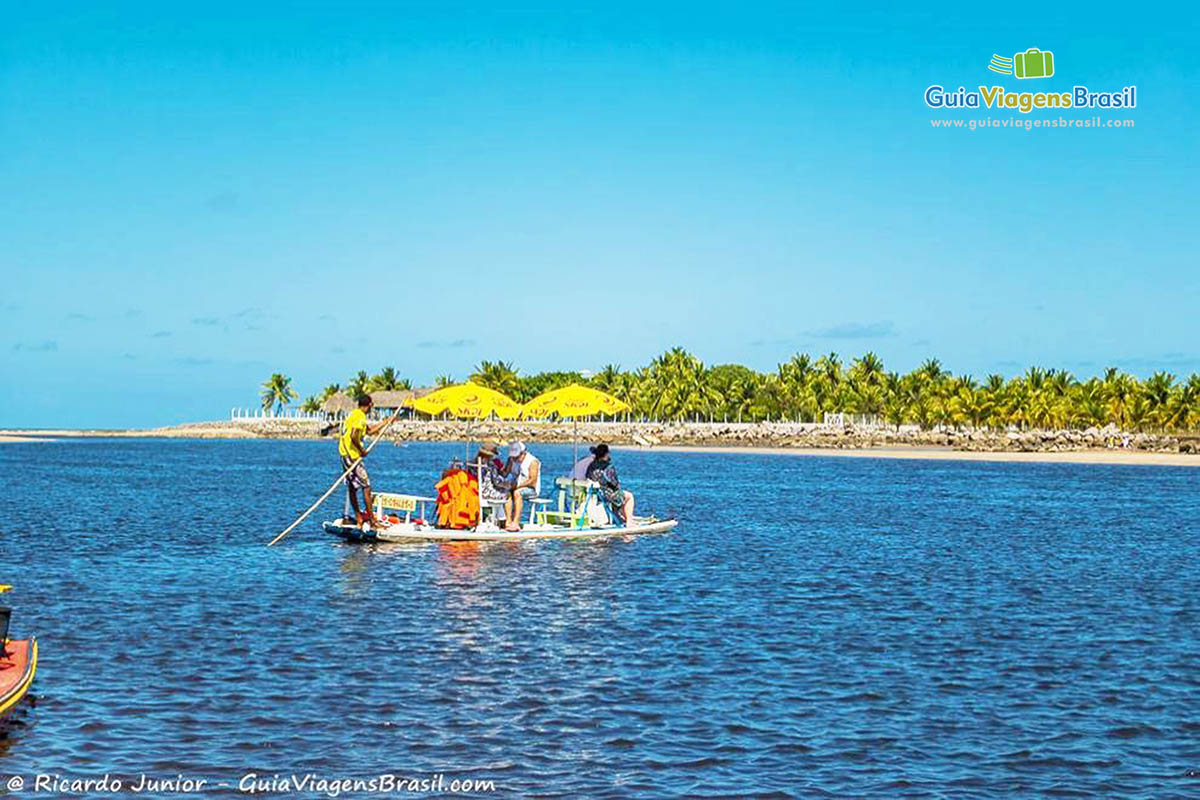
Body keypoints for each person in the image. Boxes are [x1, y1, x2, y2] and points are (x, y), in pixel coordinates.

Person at [339, 394, 397, 530]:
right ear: (369, 404)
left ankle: (359, 518)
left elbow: (369, 432)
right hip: (352, 456)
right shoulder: (360, 417)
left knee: (352, 487)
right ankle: (372, 521)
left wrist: (387, 421)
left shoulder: (354, 414)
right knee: (366, 486)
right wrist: (361, 450)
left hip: (344, 454)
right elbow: (354, 436)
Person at [585, 444, 635, 525]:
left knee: (616, 494)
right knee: (629, 496)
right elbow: (615, 483)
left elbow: (587, 476)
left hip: (593, 494)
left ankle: (616, 517)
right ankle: (629, 522)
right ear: (606, 454)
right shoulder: (608, 467)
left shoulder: (591, 465)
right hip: (605, 495)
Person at [502, 441, 540, 531]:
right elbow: (505, 472)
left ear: (523, 453)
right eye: (513, 457)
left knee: (517, 493)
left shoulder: (533, 462)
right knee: (507, 492)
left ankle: (516, 522)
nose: (515, 459)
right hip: (515, 485)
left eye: (517, 457)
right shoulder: (511, 460)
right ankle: (508, 521)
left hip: (531, 489)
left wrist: (517, 486)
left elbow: (532, 480)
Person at [474, 440, 512, 518]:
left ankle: (499, 518)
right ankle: (508, 520)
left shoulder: (474, 462)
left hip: (475, 490)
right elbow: (497, 482)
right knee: (508, 495)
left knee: (501, 492)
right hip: (486, 493)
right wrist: (508, 484)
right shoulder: (490, 464)